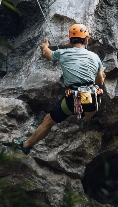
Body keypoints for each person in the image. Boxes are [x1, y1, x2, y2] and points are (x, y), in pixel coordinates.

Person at [14, 24, 105, 154]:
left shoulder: (63, 53)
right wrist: (101, 75)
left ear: (70, 40)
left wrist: (45, 46)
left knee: (48, 121)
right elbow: (100, 82)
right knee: (93, 101)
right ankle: (85, 120)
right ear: (86, 40)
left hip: (74, 98)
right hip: (90, 97)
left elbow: (46, 53)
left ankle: (27, 145)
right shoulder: (95, 57)